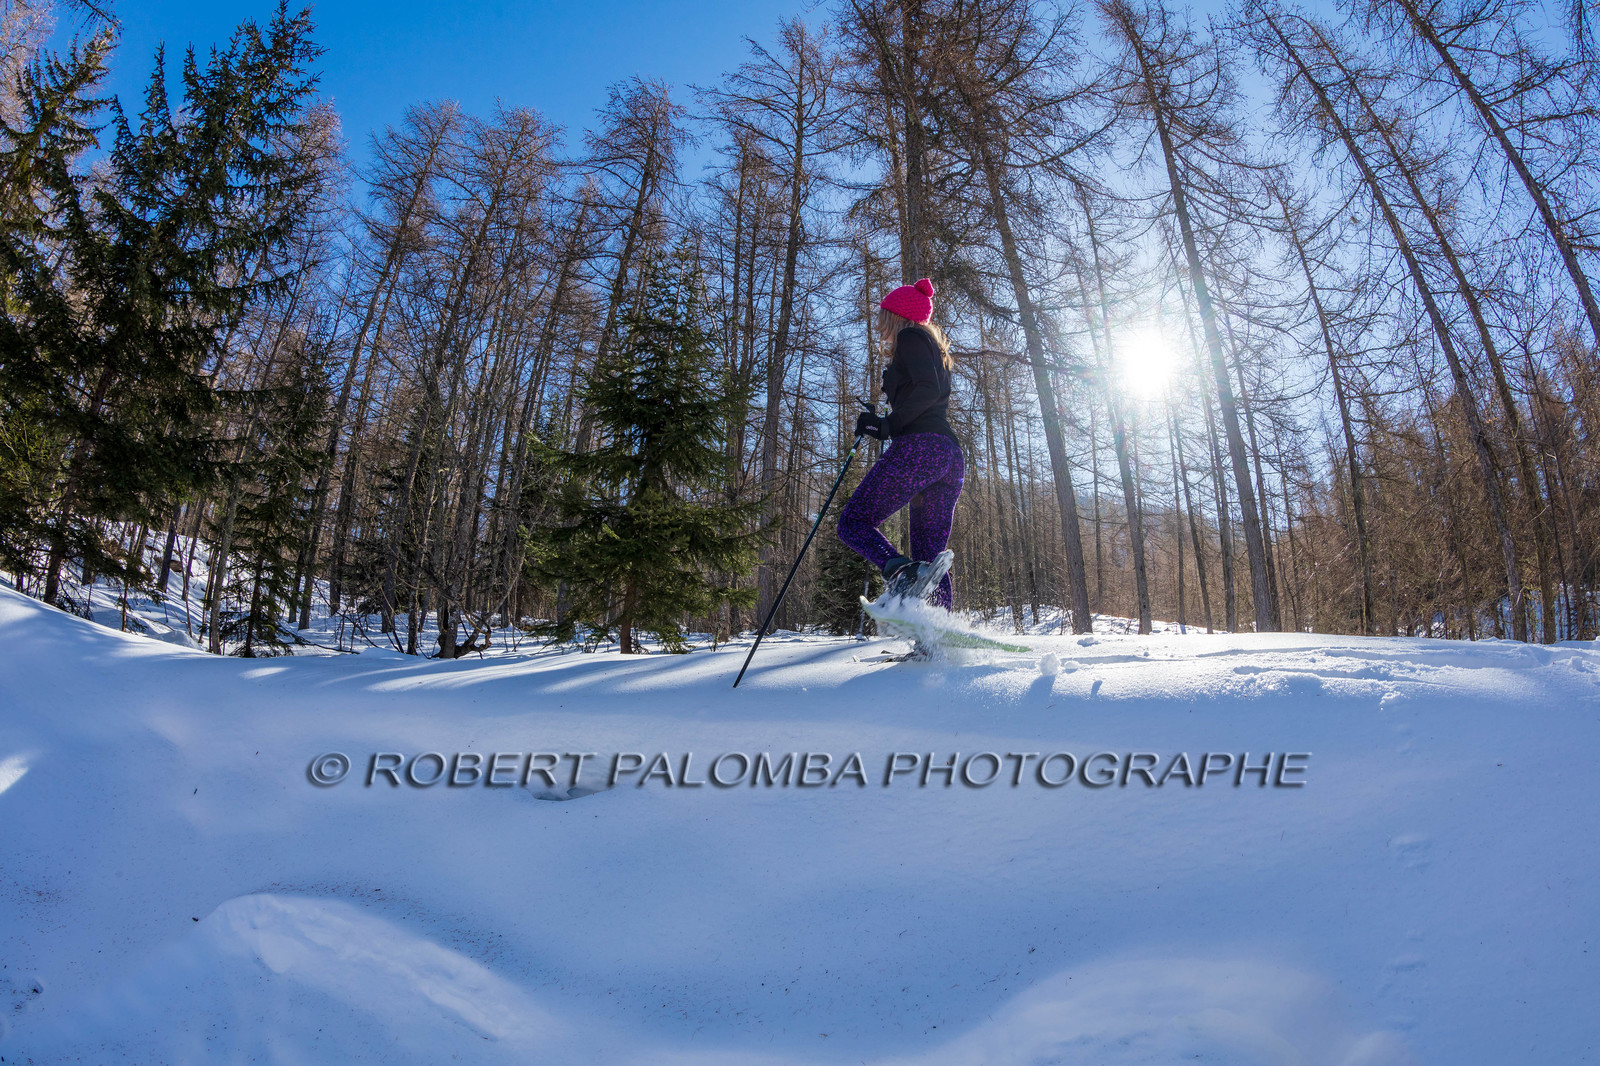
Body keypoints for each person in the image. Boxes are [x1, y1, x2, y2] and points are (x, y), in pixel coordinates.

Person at [837, 277, 964, 609]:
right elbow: (927, 389)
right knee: (930, 562)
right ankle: (936, 641)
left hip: (920, 450)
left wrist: (887, 425)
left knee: (853, 523)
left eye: (883, 318)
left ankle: (900, 572)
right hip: (947, 457)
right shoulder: (932, 348)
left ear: (897, 316)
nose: (880, 327)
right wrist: (880, 421)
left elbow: (927, 389)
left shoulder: (911, 336)